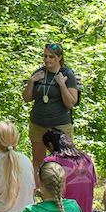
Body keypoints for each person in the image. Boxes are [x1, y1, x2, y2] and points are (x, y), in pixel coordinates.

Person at [22, 43, 79, 179]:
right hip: (38, 124)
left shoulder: (67, 74)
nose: (47, 60)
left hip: (60, 124)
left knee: (64, 161)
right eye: (45, 56)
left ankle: (62, 192)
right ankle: (39, 191)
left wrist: (61, 84)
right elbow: (26, 98)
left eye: (51, 57)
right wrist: (31, 81)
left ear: (59, 57)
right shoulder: (39, 73)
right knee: (38, 162)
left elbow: (71, 103)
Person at [42, 128, 97, 212]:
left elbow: (45, 193)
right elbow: (93, 184)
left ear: (50, 145)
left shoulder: (50, 161)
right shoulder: (86, 157)